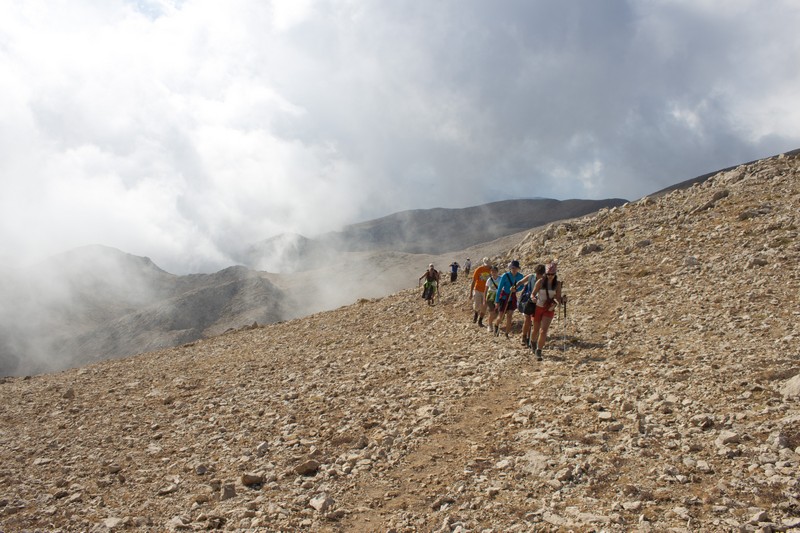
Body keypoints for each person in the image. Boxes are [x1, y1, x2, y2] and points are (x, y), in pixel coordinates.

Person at [530, 261, 564, 360]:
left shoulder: (557, 284)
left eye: (552, 274)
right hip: (538, 307)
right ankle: (533, 341)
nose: (550, 276)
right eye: (548, 274)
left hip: (549, 308)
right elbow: (533, 294)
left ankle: (539, 351)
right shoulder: (540, 282)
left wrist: (562, 300)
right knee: (536, 330)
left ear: (555, 274)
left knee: (543, 331)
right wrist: (533, 298)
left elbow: (558, 297)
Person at [515, 264, 545, 348]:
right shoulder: (531, 276)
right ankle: (524, 337)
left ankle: (530, 339)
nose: (539, 276)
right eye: (538, 274)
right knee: (527, 320)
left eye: (541, 274)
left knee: (535, 322)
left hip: (538, 302)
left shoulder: (544, 280)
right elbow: (520, 282)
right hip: (528, 301)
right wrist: (514, 287)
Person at [492, 260, 524, 337]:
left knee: (510, 315)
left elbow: (522, 286)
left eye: (515, 268)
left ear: (518, 268)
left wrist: (516, 290)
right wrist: (497, 301)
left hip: (512, 297)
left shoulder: (520, 276)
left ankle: (507, 333)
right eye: (512, 268)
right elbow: (499, 288)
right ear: (510, 268)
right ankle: (496, 325)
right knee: (501, 316)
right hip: (504, 297)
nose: (514, 269)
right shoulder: (505, 276)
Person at [468, 257, 492, 327]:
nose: (487, 265)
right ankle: (476, 314)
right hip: (477, 290)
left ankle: (480, 321)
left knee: (484, 307)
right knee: (477, 305)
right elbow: (473, 281)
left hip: (486, 291)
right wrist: (471, 293)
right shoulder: (479, 269)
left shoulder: (492, 270)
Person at [484, 265, 500, 332]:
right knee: (492, 312)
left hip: (498, 296)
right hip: (490, 296)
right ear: (490, 272)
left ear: (497, 272)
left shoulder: (501, 278)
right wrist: (484, 299)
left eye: (495, 271)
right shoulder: (489, 280)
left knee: (497, 313)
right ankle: (490, 325)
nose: (493, 273)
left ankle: (492, 322)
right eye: (492, 271)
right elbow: (486, 290)